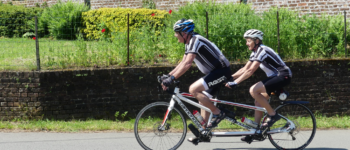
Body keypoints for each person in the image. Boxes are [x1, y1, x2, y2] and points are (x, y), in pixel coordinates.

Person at [160, 18, 232, 134]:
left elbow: (188, 64)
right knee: (202, 98)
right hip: (214, 73)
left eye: (176, 33)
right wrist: (168, 75)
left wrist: (172, 79)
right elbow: (183, 63)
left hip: (222, 71)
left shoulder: (195, 40)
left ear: (184, 33)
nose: (175, 35)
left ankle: (218, 113)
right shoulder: (189, 42)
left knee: (193, 89)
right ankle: (204, 132)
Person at [225, 29, 292, 142]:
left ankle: (273, 115)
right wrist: (230, 78)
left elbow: (251, 70)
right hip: (275, 77)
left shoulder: (262, 50)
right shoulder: (255, 52)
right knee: (258, 102)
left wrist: (236, 83)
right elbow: (245, 68)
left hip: (283, 75)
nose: (246, 43)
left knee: (253, 90)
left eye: (248, 41)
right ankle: (256, 131)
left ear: (256, 41)